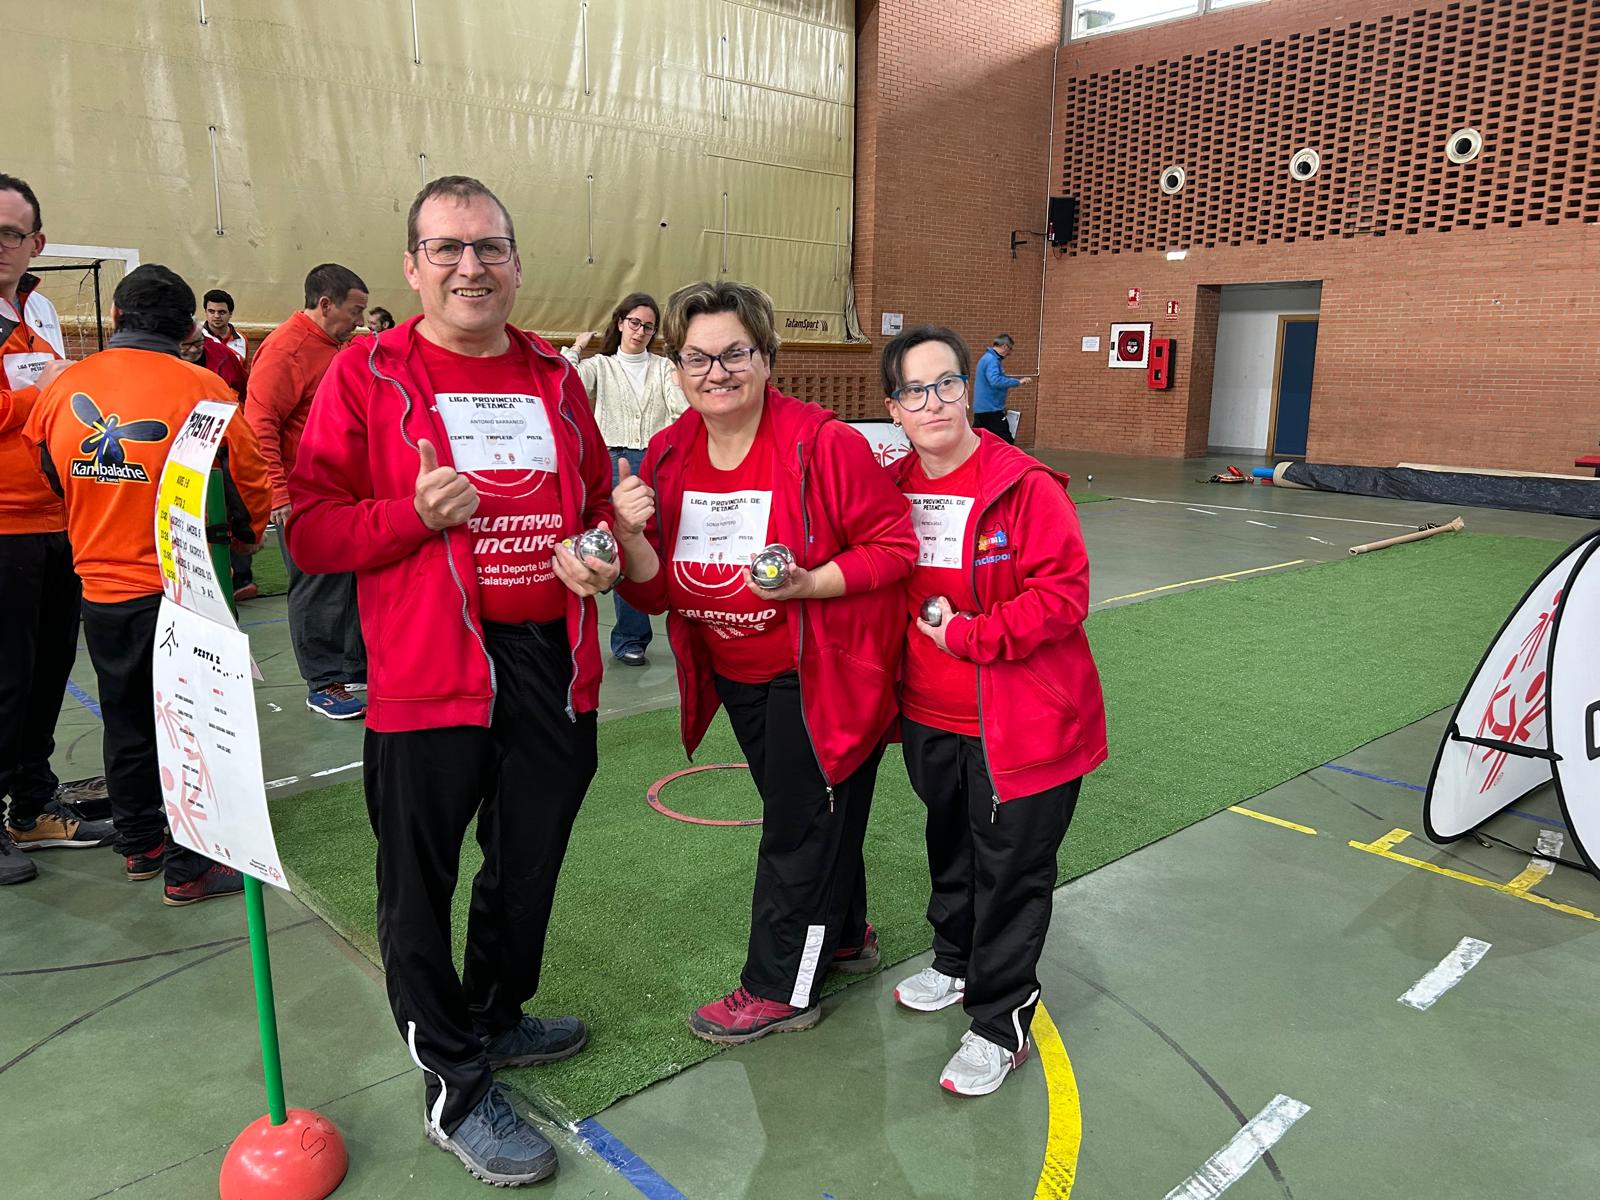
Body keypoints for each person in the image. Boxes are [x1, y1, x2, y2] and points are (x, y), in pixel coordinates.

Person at [288, 175, 617, 1188]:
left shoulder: (556, 378)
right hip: (429, 672)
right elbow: (308, 527)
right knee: (416, 886)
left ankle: (495, 1017)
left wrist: (599, 554)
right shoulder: (366, 375)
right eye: (448, 249)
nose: (470, 266)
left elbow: (601, 506)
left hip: (548, 667)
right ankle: (454, 1084)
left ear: (515, 263)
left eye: (489, 248)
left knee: (527, 865)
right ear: (413, 267)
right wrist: (409, 518)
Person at [611, 280, 917, 1046]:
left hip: (821, 676)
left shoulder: (823, 444)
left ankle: (782, 984)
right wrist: (635, 537)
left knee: (796, 828)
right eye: (697, 358)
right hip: (736, 673)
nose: (717, 372)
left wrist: (810, 583)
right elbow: (652, 596)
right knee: (816, 815)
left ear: (768, 359)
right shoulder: (669, 454)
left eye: (735, 353)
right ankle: (846, 937)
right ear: (677, 371)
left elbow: (895, 547)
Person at [880, 325, 1106, 1096]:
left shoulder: (1025, 485)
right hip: (929, 715)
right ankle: (952, 961)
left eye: (947, 383)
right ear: (896, 409)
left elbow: (1064, 596)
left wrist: (973, 635)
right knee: (950, 843)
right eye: (916, 390)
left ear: (966, 394)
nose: (934, 401)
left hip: (1024, 723)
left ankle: (1001, 1016)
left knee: (1011, 871)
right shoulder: (891, 487)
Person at [25, 264, 273, 906]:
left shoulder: (66, 385)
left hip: (100, 589)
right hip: (180, 589)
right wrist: (243, 546)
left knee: (128, 719)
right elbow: (248, 484)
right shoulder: (203, 386)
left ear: (116, 320)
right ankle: (191, 869)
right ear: (191, 327)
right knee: (188, 727)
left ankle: (141, 844)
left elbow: (46, 465)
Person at [0, 171, 110, 885]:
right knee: (3, 678)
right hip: (3, 524)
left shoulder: (37, 308)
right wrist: (40, 398)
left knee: (44, 674)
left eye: (10, 232)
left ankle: (32, 805)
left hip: (57, 518)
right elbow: (34, 402)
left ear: (35, 242)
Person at [247, 263, 369, 718]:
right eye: (354, 311)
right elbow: (258, 425)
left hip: (344, 492)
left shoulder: (338, 347)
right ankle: (323, 682)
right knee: (316, 586)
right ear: (325, 304)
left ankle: (355, 667)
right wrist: (278, 495)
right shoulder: (286, 349)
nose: (359, 321)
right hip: (304, 495)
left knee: (354, 577)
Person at [561, 291, 687, 666]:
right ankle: (631, 638)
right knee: (629, 548)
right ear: (620, 322)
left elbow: (680, 408)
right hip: (617, 463)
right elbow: (567, 387)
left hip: (659, 458)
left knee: (670, 542)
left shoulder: (664, 368)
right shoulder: (600, 366)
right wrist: (574, 350)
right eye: (635, 323)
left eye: (648, 326)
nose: (641, 331)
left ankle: (693, 628)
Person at [971, 333, 1031, 444]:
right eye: (1010, 350)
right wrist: (1017, 382)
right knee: (1006, 441)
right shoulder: (992, 360)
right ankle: (1011, 461)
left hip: (982, 409)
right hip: (992, 409)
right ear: (1004, 347)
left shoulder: (986, 358)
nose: (1009, 353)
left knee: (978, 440)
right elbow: (995, 381)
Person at [201, 288, 249, 395]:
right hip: (205, 396)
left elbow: (242, 376)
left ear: (230, 313)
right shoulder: (198, 338)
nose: (216, 316)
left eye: (221, 312)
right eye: (211, 311)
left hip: (232, 400)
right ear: (205, 312)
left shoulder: (241, 339)